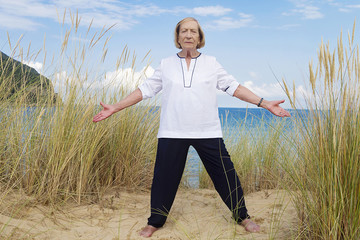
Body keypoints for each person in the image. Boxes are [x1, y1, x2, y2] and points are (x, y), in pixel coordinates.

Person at [93, 17, 291, 238]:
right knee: (163, 179)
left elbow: (234, 88)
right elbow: (145, 90)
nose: (188, 35)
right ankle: (155, 222)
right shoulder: (166, 64)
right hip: (172, 131)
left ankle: (243, 216)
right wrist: (116, 107)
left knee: (226, 175)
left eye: (193, 31)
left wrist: (264, 103)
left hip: (207, 130)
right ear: (178, 37)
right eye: (184, 31)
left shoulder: (212, 63)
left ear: (199, 37)